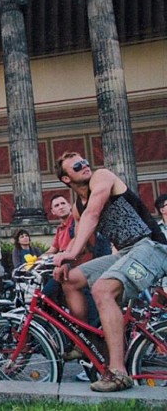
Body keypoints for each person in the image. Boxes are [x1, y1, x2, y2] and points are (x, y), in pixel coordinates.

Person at [52, 152, 167, 392]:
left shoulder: (102, 177)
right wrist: (64, 261)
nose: (84, 165)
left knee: (102, 289)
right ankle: (85, 340)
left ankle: (118, 372)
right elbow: (78, 240)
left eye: (84, 161)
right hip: (126, 252)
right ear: (65, 178)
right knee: (70, 279)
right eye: (76, 165)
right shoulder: (77, 208)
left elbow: (94, 213)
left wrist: (70, 255)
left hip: (152, 247)